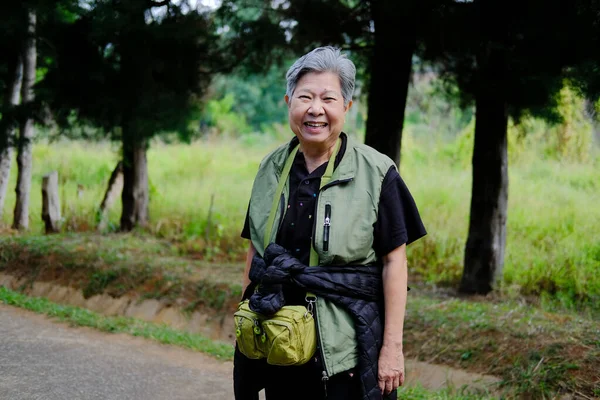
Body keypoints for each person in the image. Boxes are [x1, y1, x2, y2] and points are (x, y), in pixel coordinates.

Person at [234, 45, 426, 400]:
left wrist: (392, 349)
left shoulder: (377, 172)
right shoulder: (270, 168)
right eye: (305, 97)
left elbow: (394, 262)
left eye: (328, 99)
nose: (315, 109)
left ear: (346, 107)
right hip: (279, 341)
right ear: (288, 101)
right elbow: (254, 252)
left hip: (344, 351)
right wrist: (245, 317)